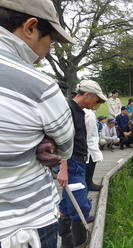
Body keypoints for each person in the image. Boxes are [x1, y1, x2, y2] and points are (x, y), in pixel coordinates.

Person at [0, 1, 75, 247]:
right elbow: (64, 148)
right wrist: (44, 140)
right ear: (30, 27)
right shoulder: (40, 86)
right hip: (24, 224)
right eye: (51, 40)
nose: (48, 49)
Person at [58, 80, 107, 247]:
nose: (97, 104)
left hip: (78, 161)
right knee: (80, 205)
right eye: (96, 99)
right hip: (72, 163)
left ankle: (66, 243)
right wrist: (63, 169)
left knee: (66, 204)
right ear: (88, 95)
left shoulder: (78, 110)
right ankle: (80, 243)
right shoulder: (69, 110)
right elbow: (62, 140)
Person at [84, 104, 103, 192]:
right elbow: (89, 132)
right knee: (89, 165)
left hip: (91, 144)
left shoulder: (90, 113)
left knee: (92, 163)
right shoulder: (89, 114)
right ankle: (88, 184)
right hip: (89, 144)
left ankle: (89, 182)